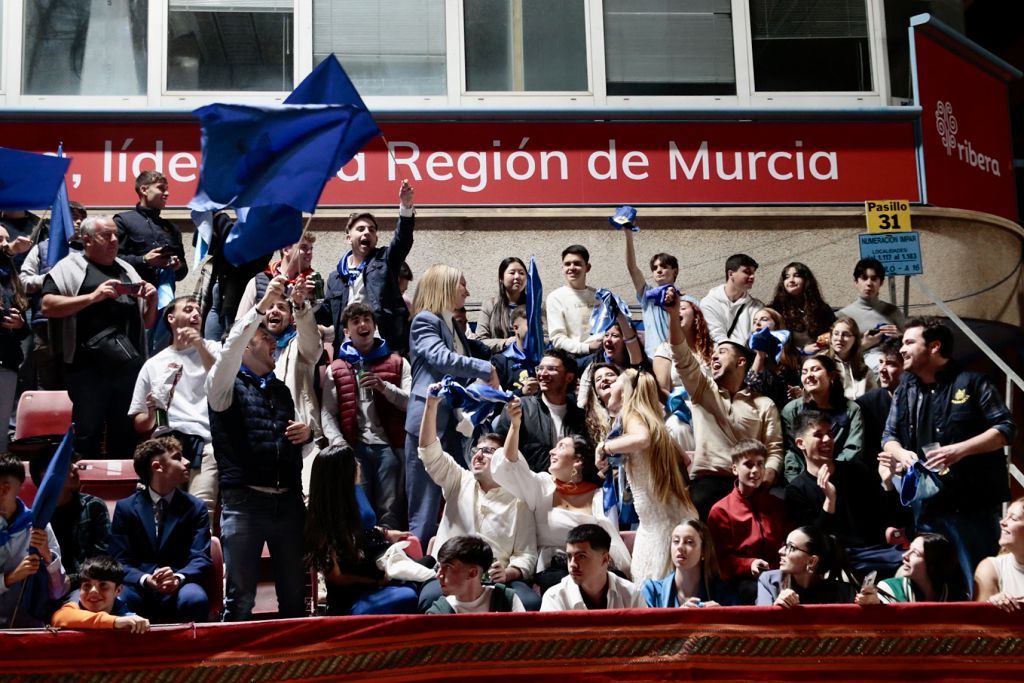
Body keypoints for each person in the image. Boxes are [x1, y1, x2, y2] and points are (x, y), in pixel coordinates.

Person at [883, 317, 1016, 592]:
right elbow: (889, 437)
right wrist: (902, 453)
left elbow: (1005, 429)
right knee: (929, 584)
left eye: (909, 342)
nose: (902, 350)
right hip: (926, 508)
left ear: (934, 346)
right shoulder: (905, 388)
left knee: (976, 582)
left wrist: (959, 450)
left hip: (970, 507)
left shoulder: (973, 382)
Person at [206, 276, 312, 621]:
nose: (273, 343)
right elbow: (230, 347)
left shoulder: (280, 390)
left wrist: (305, 434)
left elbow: (285, 437)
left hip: (288, 502)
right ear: (246, 348)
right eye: (265, 338)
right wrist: (262, 306)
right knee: (239, 599)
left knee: (296, 599)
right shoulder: (223, 386)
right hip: (245, 505)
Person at [42, 215, 158, 458]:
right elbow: (48, 306)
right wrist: (93, 297)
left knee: (125, 435)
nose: (114, 240)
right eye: (106, 235)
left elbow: (146, 322)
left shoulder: (128, 269)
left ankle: (119, 490)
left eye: (116, 234)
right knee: (87, 434)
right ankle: (85, 491)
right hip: (87, 370)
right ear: (87, 240)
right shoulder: (69, 267)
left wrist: (152, 300)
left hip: (128, 370)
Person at [666, 289, 784, 519]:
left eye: (722, 352)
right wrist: (672, 316)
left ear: (741, 361)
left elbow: (775, 448)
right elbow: (681, 356)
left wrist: (766, 478)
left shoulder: (763, 404)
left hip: (749, 483)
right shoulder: (703, 389)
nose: (715, 357)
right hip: (707, 481)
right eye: (714, 354)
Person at [417, 388, 539, 611]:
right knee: (430, 598)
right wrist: (431, 404)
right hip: (452, 572)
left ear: (503, 460)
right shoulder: (458, 479)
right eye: (477, 449)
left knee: (530, 602)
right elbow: (429, 451)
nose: (478, 455)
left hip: (496, 576)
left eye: (489, 451)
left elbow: (527, 554)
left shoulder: (519, 500)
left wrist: (508, 572)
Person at [493, 399, 631, 590]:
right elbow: (510, 465)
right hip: (553, 572)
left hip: (594, 570)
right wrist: (515, 426)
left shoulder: (600, 495)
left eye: (561, 447)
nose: (551, 451)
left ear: (578, 461)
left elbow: (611, 545)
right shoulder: (542, 486)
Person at [404, 264, 498, 542]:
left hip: (456, 423)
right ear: (445, 286)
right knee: (424, 507)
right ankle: (416, 576)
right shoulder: (424, 320)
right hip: (429, 420)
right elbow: (442, 359)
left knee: (465, 496)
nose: (468, 292)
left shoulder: (450, 324)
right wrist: (485, 369)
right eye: (463, 285)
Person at [597, 369, 697, 583]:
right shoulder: (654, 423)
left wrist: (605, 447)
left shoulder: (632, 414)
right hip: (666, 521)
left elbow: (642, 439)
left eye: (615, 382)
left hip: (659, 527)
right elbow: (685, 461)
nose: (609, 386)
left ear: (625, 392)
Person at [128, 295, 220, 515]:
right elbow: (140, 424)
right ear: (171, 317)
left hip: (206, 440)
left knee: (201, 509)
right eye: (188, 310)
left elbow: (221, 381)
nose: (196, 314)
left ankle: (199, 550)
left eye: (198, 311)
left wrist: (199, 345)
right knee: (161, 510)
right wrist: (151, 412)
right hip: (166, 440)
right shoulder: (154, 364)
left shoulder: (214, 349)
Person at [785, 410, 905, 576]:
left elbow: (889, 518)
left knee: (915, 563)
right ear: (800, 443)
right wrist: (829, 501)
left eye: (829, 434)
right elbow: (812, 544)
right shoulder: (796, 490)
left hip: (876, 552)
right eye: (818, 435)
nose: (827, 439)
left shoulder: (856, 470)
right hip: (838, 560)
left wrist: (887, 484)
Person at [322, 302, 410, 528]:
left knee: (390, 511)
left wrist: (384, 387)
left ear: (374, 325)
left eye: (367, 320)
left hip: (389, 447)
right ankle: (364, 558)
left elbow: (411, 404)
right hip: (355, 448)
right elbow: (327, 412)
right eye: (355, 321)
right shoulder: (337, 368)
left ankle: (389, 557)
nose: (362, 325)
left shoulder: (397, 362)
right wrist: (340, 445)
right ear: (346, 332)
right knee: (359, 513)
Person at [303, 446, 418, 616]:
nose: (358, 464)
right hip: (353, 593)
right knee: (410, 593)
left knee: (425, 568)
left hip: (372, 568)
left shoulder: (353, 492)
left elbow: (362, 528)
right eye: (352, 463)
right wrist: (376, 582)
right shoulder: (326, 523)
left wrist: (386, 533)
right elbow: (337, 578)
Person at [109, 437, 211, 623]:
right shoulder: (126, 508)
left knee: (195, 600)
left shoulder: (196, 507)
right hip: (140, 584)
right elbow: (119, 560)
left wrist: (177, 578)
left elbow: (201, 558)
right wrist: (147, 579)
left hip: (181, 583)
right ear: (158, 467)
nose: (187, 462)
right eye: (178, 458)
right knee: (120, 600)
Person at [325, 181, 416, 356]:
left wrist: (406, 206)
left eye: (372, 230)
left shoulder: (386, 260)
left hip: (385, 346)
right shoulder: (336, 277)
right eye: (360, 229)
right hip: (348, 349)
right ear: (348, 237)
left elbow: (403, 240)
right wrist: (303, 304)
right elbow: (328, 314)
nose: (367, 232)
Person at [707, 440, 790, 604]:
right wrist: (749, 564)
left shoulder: (777, 505)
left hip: (778, 575)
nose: (756, 470)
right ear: (735, 469)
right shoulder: (721, 511)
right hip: (740, 581)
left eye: (760, 464)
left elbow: (788, 543)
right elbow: (718, 560)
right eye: (749, 464)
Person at [114, 171, 187, 353]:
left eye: (167, 189)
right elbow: (112, 260)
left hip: (165, 304)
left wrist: (177, 266)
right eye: (161, 188)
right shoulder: (123, 221)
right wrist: (145, 260)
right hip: (132, 301)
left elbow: (183, 270)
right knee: (133, 354)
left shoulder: (172, 228)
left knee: (159, 355)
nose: (167, 193)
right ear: (144, 189)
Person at [19, 202, 87, 391]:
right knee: (46, 378)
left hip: (78, 324)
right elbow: (23, 281)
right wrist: (49, 279)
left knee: (75, 378)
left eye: (82, 218)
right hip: (45, 324)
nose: (78, 222)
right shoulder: (41, 249)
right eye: (73, 217)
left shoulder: (87, 252)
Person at [0, 452, 69, 627]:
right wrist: (9, 578)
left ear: (4, 489)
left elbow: (59, 591)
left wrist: (48, 557)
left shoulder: (39, 526)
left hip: (27, 625)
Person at [493, 349, 587, 473]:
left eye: (551, 369)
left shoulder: (580, 417)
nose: (542, 374)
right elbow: (499, 451)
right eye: (540, 368)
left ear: (569, 377)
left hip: (570, 487)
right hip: (528, 487)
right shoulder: (520, 408)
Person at [29, 450, 110, 588]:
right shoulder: (33, 517)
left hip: (84, 585)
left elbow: (101, 560)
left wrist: (69, 582)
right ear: (47, 475)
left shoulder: (93, 506)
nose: (76, 467)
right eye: (67, 465)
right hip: (46, 587)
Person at [781, 355, 864, 482]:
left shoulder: (851, 409)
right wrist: (799, 481)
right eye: (804, 372)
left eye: (815, 369)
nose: (809, 375)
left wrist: (830, 472)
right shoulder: (791, 410)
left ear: (831, 375)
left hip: (842, 477)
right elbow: (793, 451)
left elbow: (853, 449)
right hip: (804, 479)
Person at [236, 230, 328, 329]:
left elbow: (325, 326)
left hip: (299, 343)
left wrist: (313, 302)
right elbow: (239, 324)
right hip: (265, 342)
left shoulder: (315, 283)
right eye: (303, 247)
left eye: (311, 248)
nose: (309, 252)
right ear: (286, 250)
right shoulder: (259, 281)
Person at [539, 524, 642, 611]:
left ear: (605, 559)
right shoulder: (555, 598)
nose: (572, 564)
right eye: (569, 557)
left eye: (581, 556)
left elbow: (646, 635)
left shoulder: (631, 593)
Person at [756, 526, 857, 607]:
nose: (781, 551)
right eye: (785, 545)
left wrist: (869, 606)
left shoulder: (844, 592)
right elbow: (760, 623)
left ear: (812, 561)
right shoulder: (768, 581)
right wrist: (776, 608)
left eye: (791, 547)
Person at [855, 533, 967, 604]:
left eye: (916, 553)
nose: (904, 556)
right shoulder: (890, 589)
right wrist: (877, 605)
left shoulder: (957, 598)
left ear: (933, 564)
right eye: (909, 549)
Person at [426, 536, 527, 614]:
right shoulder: (439, 613)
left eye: (447, 567)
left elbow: (525, 639)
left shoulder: (506, 600)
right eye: (439, 567)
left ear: (472, 573)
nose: (438, 575)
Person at [51, 555, 150, 632]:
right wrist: (114, 621)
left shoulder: (126, 615)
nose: (93, 591)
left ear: (118, 590)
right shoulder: (74, 604)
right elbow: (59, 617)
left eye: (103, 585)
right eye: (87, 586)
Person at [837, 258, 904, 370]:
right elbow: (838, 353)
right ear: (856, 282)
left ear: (881, 282)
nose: (869, 283)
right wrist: (864, 344)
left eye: (874, 279)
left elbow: (911, 342)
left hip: (895, 363)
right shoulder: (843, 315)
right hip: (861, 367)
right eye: (864, 278)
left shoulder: (893, 311)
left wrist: (900, 336)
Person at [622, 228, 679, 358]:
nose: (658, 270)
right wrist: (628, 234)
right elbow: (632, 268)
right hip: (653, 359)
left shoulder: (687, 301)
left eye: (664, 266)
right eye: (655, 268)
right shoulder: (648, 296)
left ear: (675, 271)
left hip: (679, 361)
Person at [642, 520, 724, 608]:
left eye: (689, 542)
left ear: (703, 551)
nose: (680, 547)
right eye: (676, 541)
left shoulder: (723, 592)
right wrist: (678, 617)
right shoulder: (652, 590)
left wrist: (722, 616)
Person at [0, 229, 29, 452]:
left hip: (6, 362)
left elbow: (24, 331)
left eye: (6, 238)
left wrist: (19, 324)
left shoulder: (10, 277)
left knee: (1, 432)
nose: (5, 243)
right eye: (0, 239)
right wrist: (9, 249)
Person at [652, 295, 713, 400]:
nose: (677, 311)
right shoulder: (665, 349)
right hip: (684, 411)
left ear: (696, 316)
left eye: (683, 308)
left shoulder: (711, 348)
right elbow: (662, 389)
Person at [545, 245, 601, 357]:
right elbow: (557, 338)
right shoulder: (555, 297)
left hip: (600, 352)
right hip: (571, 357)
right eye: (567, 264)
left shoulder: (599, 296)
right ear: (562, 268)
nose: (571, 267)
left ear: (587, 267)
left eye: (577, 263)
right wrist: (587, 347)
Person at [744, 306, 803, 412]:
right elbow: (748, 389)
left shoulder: (791, 354)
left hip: (785, 412)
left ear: (777, 325)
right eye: (754, 321)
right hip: (756, 411)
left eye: (764, 319)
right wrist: (760, 356)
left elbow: (796, 385)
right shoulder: (747, 352)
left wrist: (798, 392)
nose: (757, 323)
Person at [768, 262, 835, 352]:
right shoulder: (775, 310)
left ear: (806, 280)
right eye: (787, 277)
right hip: (788, 363)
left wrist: (826, 340)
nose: (791, 280)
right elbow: (771, 344)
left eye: (796, 275)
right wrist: (802, 351)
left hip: (820, 360)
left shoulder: (821, 308)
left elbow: (833, 333)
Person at [473, 256, 535, 352]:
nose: (517, 276)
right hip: (498, 360)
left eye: (522, 273)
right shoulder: (490, 305)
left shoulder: (536, 305)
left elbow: (547, 338)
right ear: (501, 278)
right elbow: (480, 340)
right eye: (512, 273)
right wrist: (505, 343)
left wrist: (525, 342)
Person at [856, 337, 904, 459]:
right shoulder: (866, 404)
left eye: (891, 364)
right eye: (881, 362)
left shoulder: (921, 400)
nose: (882, 370)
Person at [973, 497, 1024, 612]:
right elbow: (981, 625)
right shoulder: (991, 568)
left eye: (1013, 519)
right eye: (1005, 516)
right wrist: (993, 604)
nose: (1002, 522)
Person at [700, 253, 764, 345]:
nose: (752, 276)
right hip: (721, 356)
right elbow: (717, 336)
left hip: (749, 357)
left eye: (753, 273)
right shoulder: (709, 303)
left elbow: (758, 337)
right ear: (731, 274)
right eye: (747, 272)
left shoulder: (757, 307)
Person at [826, 317, 876, 400]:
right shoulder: (821, 363)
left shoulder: (864, 369)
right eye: (836, 333)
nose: (839, 338)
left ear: (855, 340)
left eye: (845, 334)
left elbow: (874, 399)